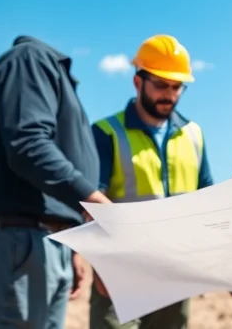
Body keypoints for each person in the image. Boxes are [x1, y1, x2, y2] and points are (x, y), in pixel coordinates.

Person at [0, 36, 112, 329]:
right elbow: (28, 144)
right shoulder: (30, 59)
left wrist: (72, 238)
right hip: (19, 242)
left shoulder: (51, 72)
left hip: (45, 244)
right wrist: (91, 197)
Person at [89, 34, 214, 329]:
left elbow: (207, 198)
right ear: (137, 82)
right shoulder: (106, 132)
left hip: (176, 268)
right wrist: (101, 263)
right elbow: (90, 202)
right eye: (160, 84)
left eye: (176, 87)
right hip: (121, 269)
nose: (169, 94)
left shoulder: (194, 134)